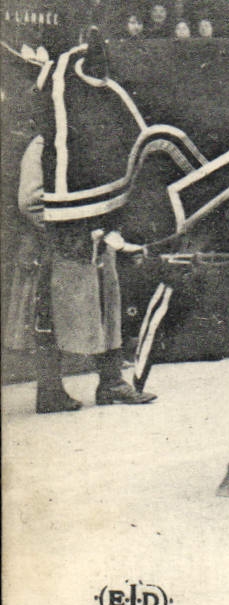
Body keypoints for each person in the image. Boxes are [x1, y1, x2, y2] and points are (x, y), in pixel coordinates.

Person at [17, 134, 156, 411]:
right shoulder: (41, 146)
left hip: (97, 242)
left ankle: (111, 383)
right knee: (49, 316)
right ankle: (50, 391)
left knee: (109, 307)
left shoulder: (84, 142)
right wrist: (70, 227)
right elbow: (29, 202)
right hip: (60, 248)